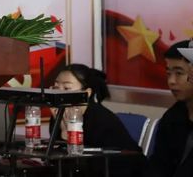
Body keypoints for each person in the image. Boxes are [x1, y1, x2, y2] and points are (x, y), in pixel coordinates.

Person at [51, 64, 145, 176]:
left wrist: (67, 133)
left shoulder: (100, 118)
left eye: (66, 88)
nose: (59, 93)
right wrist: (62, 128)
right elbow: (58, 158)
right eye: (56, 88)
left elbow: (90, 161)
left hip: (123, 169)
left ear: (87, 93)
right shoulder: (58, 113)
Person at [144, 40, 193, 177]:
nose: (171, 81)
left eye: (179, 73)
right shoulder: (172, 117)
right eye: (168, 73)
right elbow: (158, 166)